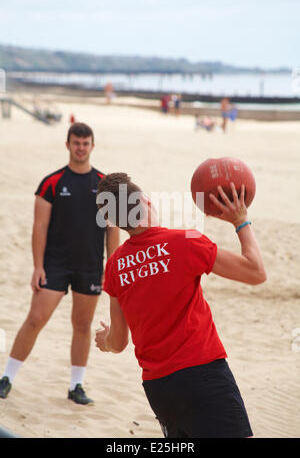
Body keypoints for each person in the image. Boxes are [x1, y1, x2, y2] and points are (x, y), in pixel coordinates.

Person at [94, 173, 266, 438]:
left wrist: (104, 339)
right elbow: (255, 272)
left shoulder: (115, 265)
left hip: (159, 387)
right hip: (203, 373)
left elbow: (118, 342)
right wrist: (241, 221)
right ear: (144, 201)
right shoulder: (185, 240)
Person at [0, 123, 120, 405]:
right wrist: (37, 266)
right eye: (76, 142)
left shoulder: (105, 184)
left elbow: (112, 229)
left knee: (82, 325)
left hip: (90, 266)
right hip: (54, 265)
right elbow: (39, 227)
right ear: (68, 145)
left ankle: (75, 386)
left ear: (92, 145)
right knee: (35, 319)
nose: (81, 147)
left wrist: (110, 267)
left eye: (86, 142)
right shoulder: (51, 183)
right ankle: (7, 377)